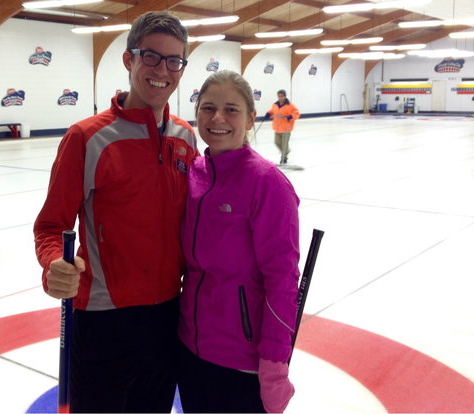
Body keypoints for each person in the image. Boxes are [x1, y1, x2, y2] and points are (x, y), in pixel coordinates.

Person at [33, 11, 197, 413]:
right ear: (129, 59)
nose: (163, 70)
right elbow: (50, 226)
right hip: (103, 320)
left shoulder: (186, 137)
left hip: (167, 315)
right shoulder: (87, 138)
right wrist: (55, 263)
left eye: (174, 60)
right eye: (152, 57)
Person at [177, 70, 300, 413]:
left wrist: (275, 364)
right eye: (207, 108)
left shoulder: (268, 184)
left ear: (250, 119)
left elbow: (282, 281)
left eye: (231, 109)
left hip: (240, 360)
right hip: (190, 348)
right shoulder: (194, 172)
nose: (217, 118)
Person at [264, 89, 300, 165]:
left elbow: (296, 113)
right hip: (277, 128)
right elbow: (272, 111)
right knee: (276, 142)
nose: (280, 98)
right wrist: (268, 113)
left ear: (285, 96)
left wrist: (291, 116)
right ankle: (286, 151)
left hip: (286, 128)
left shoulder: (289, 105)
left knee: (284, 145)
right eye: (279, 96)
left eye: (282, 96)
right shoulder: (275, 105)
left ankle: (284, 158)